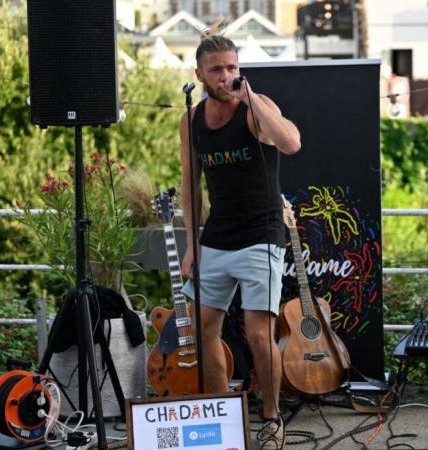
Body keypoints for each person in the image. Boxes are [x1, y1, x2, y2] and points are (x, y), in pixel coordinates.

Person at [179, 34, 300, 450]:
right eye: (217, 69)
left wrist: (252, 100)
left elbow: (291, 143)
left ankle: (270, 418)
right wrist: (192, 243)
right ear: (199, 74)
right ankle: (220, 412)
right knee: (202, 329)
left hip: (261, 233)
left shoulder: (256, 109)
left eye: (232, 66)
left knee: (258, 331)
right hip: (217, 234)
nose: (227, 75)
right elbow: (189, 184)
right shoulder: (191, 119)